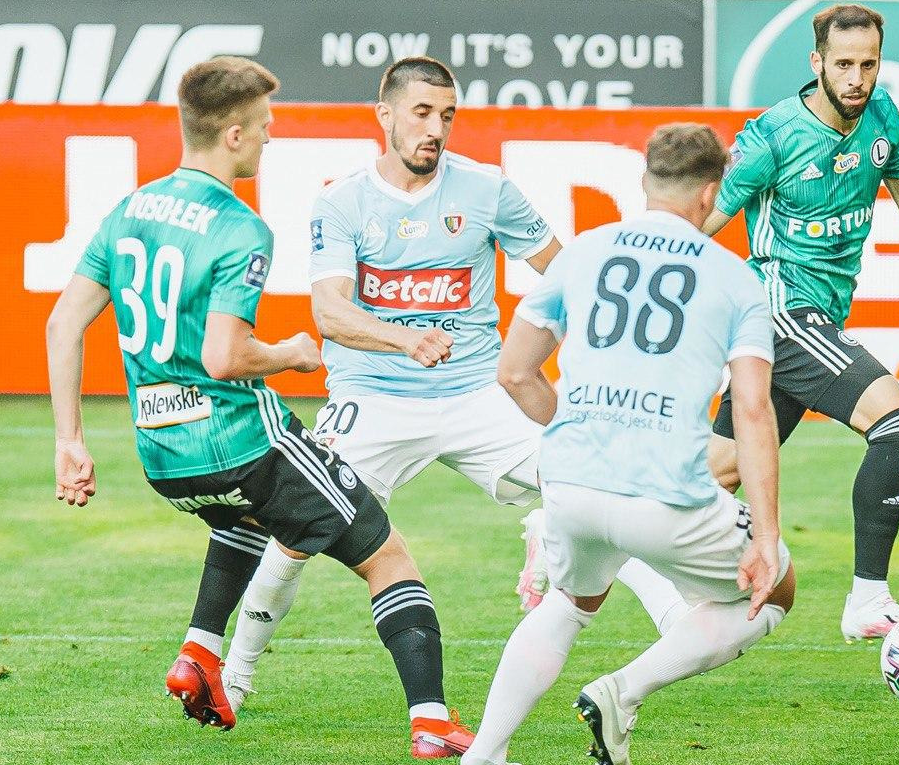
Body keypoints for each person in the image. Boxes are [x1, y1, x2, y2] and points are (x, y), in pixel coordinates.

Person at [222, 57, 688, 720]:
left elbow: (564, 273)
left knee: (594, 483)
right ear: (384, 114)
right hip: (374, 398)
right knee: (298, 531)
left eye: (446, 115)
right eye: (421, 113)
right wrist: (405, 338)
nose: (435, 129)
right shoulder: (342, 201)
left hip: (476, 393)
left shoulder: (487, 190)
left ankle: (672, 615)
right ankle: (234, 673)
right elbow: (330, 313)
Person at [45, 57, 471, 757]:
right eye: (266, 126)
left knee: (243, 516)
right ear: (234, 134)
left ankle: (199, 653)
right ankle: (431, 720)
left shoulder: (130, 211)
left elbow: (64, 323)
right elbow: (225, 358)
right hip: (242, 440)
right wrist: (293, 353)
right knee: (386, 554)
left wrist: (70, 440)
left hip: (162, 451)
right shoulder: (240, 228)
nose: (271, 138)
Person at [448, 123, 796, 765]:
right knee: (776, 588)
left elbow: (514, 371)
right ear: (712, 193)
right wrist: (767, 535)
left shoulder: (583, 253)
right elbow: (754, 410)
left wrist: (574, 428)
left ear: (644, 182)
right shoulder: (735, 279)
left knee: (570, 602)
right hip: (665, 490)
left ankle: (480, 762)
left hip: (570, 483)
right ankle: (624, 689)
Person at [703, 4, 899, 642]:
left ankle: (577, 533)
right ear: (817, 63)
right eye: (843, 64)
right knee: (898, 427)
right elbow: (700, 222)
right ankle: (868, 599)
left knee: (716, 474)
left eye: (868, 64)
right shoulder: (771, 136)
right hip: (781, 311)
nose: (857, 78)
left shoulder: (882, 114)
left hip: (815, 315)